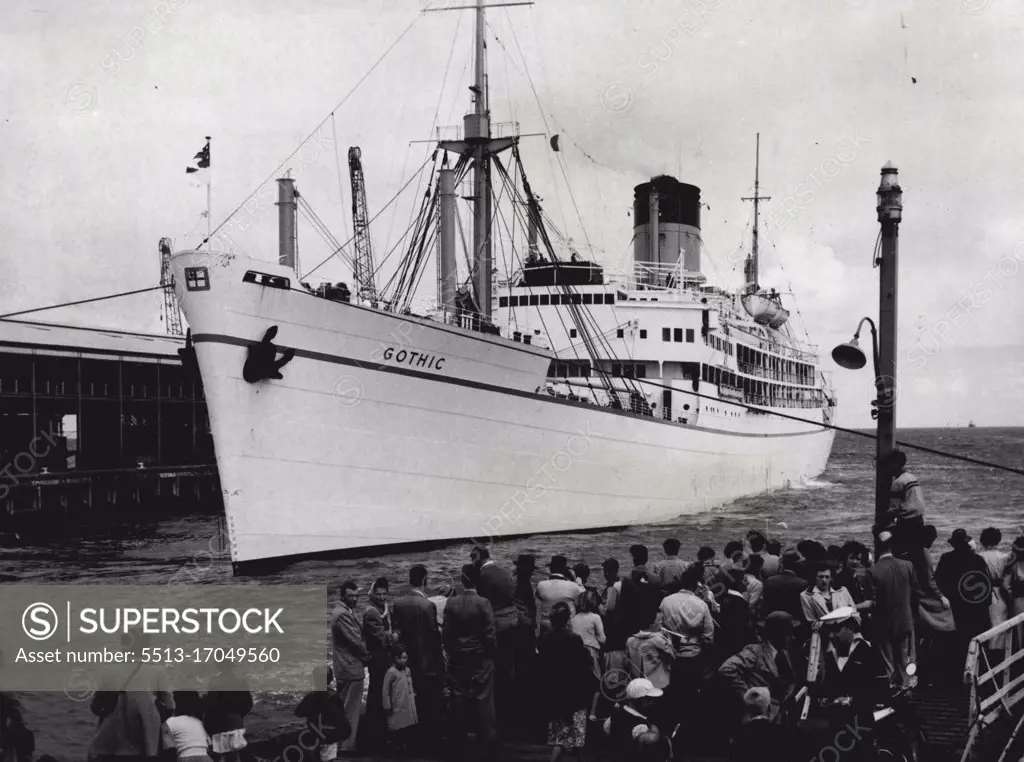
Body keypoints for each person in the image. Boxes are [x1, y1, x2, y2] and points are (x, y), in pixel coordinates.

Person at [814, 608, 890, 762]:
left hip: (860, 724)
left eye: (836, 630)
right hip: (836, 724)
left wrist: (852, 700)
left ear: (850, 628)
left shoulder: (869, 653)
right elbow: (827, 686)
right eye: (829, 631)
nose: (831, 635)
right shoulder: (830, 655)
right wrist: (824, 697)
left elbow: (881, 691)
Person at [88, 633, 174, 762]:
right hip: (144, 742)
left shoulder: (111, 671)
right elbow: (170, 706)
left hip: (110, 743)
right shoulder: (157, 671)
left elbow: (96, 706)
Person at [443, 563, 498, 760]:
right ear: (477, 580)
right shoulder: (484, 603)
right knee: (483, 700)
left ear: (462, 579)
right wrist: (489, 654)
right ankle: (487, 743)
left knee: (459, 700)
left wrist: (453, 652)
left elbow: (447, 634)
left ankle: (457, 742)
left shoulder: (452, 603)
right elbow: (490, 634)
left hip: (459, 658)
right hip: (481, 658)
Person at [391, 565, 444, 754]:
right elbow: (433, 638)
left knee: (408, 700)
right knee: (429, 702)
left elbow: (397, 634)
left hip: (406, 661)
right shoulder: (428, 605)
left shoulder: (398, 603)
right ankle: (428, 741)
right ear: (424, 580)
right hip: (426, 662)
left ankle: (409, 740)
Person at [539, 602, 596, 762]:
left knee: (560, 735)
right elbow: (581, 666)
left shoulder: (545, 639)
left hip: (554, 692)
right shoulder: (574, 639)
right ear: (567, 619)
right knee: (573, 736)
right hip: (573, 693)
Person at [718, 611, 798, 721]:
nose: (792, 638)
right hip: (758, 718)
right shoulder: (755, 651)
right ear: (779, 636)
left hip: (780, 717)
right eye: (789, 634)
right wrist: (750, 696)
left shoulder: (785, 654)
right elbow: (726, 669)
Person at [867, 531, 921, 687]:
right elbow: (916, 594)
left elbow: (873, 602)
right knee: (906, 660)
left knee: (888, 663)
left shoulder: (873, 571)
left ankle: (892, 694)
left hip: (883, 624)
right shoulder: (908, 565)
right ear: (892, 546)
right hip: (905, 620)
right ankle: (907, 690)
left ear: (877, 546)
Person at [329, 581, 370, 755]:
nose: (354, 599)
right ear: (343, 596)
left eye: (356, 595)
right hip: (351, 668)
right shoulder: (343, 615)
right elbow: (356, 642)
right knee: (351, 710)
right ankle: (347, 747)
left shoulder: (340, 612)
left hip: (344, 667)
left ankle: (342, 745)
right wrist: (368, 658)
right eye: (350, 596)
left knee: (345, 707)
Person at [359, 577, 393, 752]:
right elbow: (380, 638)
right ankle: (374, 735)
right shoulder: (372, 612)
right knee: (377, 694)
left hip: (382, 658)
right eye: (378, 594)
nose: (382, 597)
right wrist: (394, 637)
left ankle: (377, 733)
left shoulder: (381, 609)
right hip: (378, 659)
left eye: (384, 594)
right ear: (373, 594)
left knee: (380, 693)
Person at [603, 678, 671, 762]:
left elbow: (607, 727)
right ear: (637, 699)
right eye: (648, 698)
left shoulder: (616, 713)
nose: (652, 702)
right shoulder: (642, 726)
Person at [295, 666, 351, 762]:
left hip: (315, 733)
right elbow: (340, 717)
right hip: (330, 735)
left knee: (316, 756)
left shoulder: (310, 697)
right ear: (331, 679)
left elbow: (299, 712)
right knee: (329, 757)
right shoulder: (335, 697)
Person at [202, 662, 253, 762]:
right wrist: (239, 716)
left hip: (220, 722)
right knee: (235, 753)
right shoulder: (241, 681)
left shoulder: (215, 682)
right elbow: (248, 703)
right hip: (236, 721)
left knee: (222, 754)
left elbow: (210, 705)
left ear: (218, 665)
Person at [570, 590, 606, 722]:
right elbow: (602, 639)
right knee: (596, 682)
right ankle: (593, 713)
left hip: (575, 650)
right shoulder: (595, 617)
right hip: (591, 650)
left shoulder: (573, 618)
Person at [978, 528, 1012, 667]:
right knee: (1000, 624)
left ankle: (985, 659)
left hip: (983, 592)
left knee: (986, 624)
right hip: (1001, 592)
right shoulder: (1004, 557)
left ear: (983, 541)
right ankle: (999, 658)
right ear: (998, 540)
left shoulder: (979, 557)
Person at [381, 646, 418, 752]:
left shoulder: (407, 670)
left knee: (407, 725)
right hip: (396, 704)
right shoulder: (391, 672)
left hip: (407, 703)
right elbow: (385, 691)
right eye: (401, 658)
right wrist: (387, 705)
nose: (403, 660)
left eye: (405, 658)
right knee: (397, 725)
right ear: (395, 658)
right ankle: (396, 746)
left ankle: (405, 745)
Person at [160, 691, 211, 762]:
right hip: (205, 757)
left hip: (185, 757)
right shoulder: (198, 722)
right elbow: (209, 743)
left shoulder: (171, 722)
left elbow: (168, 747)